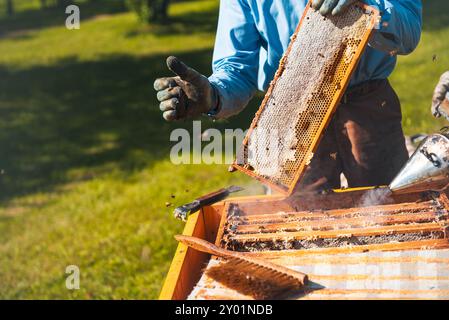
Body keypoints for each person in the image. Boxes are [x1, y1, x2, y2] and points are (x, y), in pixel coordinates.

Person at [154, 0, 422, 191]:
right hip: (290, 113)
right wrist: (212, 95)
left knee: (390, 207)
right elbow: (237, 68)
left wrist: (369, 4)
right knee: (294, 225)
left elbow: (408, 34)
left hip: (368, 110)